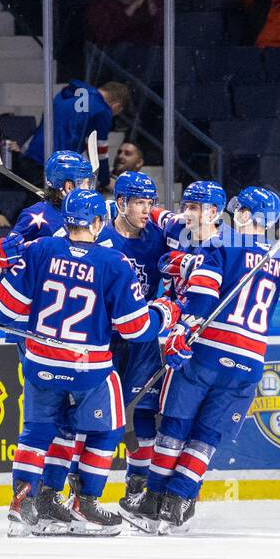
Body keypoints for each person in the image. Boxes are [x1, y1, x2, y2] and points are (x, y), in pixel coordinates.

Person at [0, 188, 182, 536]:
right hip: (88, 369)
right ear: (98, 222)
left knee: (37, 431)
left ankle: (25, 503)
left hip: (40, 361)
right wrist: (164, 313)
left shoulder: (40, 250)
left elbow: (5, 308)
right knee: (110, 428)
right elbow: (135, 328)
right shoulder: (114, 263)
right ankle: (85, 503)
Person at [127, 186, 280, 534]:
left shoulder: (220, 245)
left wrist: (183, 330)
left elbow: (202, 297)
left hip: (208, 351)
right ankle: (179, 503)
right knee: (207, 436)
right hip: (250, 362)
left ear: (242, 215)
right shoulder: (277, 256)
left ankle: (152, 501)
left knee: (175, 427)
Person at [95, 170, 169, 505]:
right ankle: (81, 492)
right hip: (104, 339)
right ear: (121, 202)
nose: (146, 209)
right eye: (139, 202)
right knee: (94, 416)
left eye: (149, 202)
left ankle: (137, 487)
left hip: (142, 341)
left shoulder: (159, 237)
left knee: (141, 413)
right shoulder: (100, 239)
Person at [0, 149, 94, 279]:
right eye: (86, 184)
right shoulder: (35, 215)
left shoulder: (90, 213)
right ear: (69, 187)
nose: (90, 190)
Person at [21, 79, 129, 186]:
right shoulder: (102, 109)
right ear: (117, 106)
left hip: (33, 155)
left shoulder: (66, 94)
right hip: (56, 168)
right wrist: (105, 180)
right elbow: (98, 150)